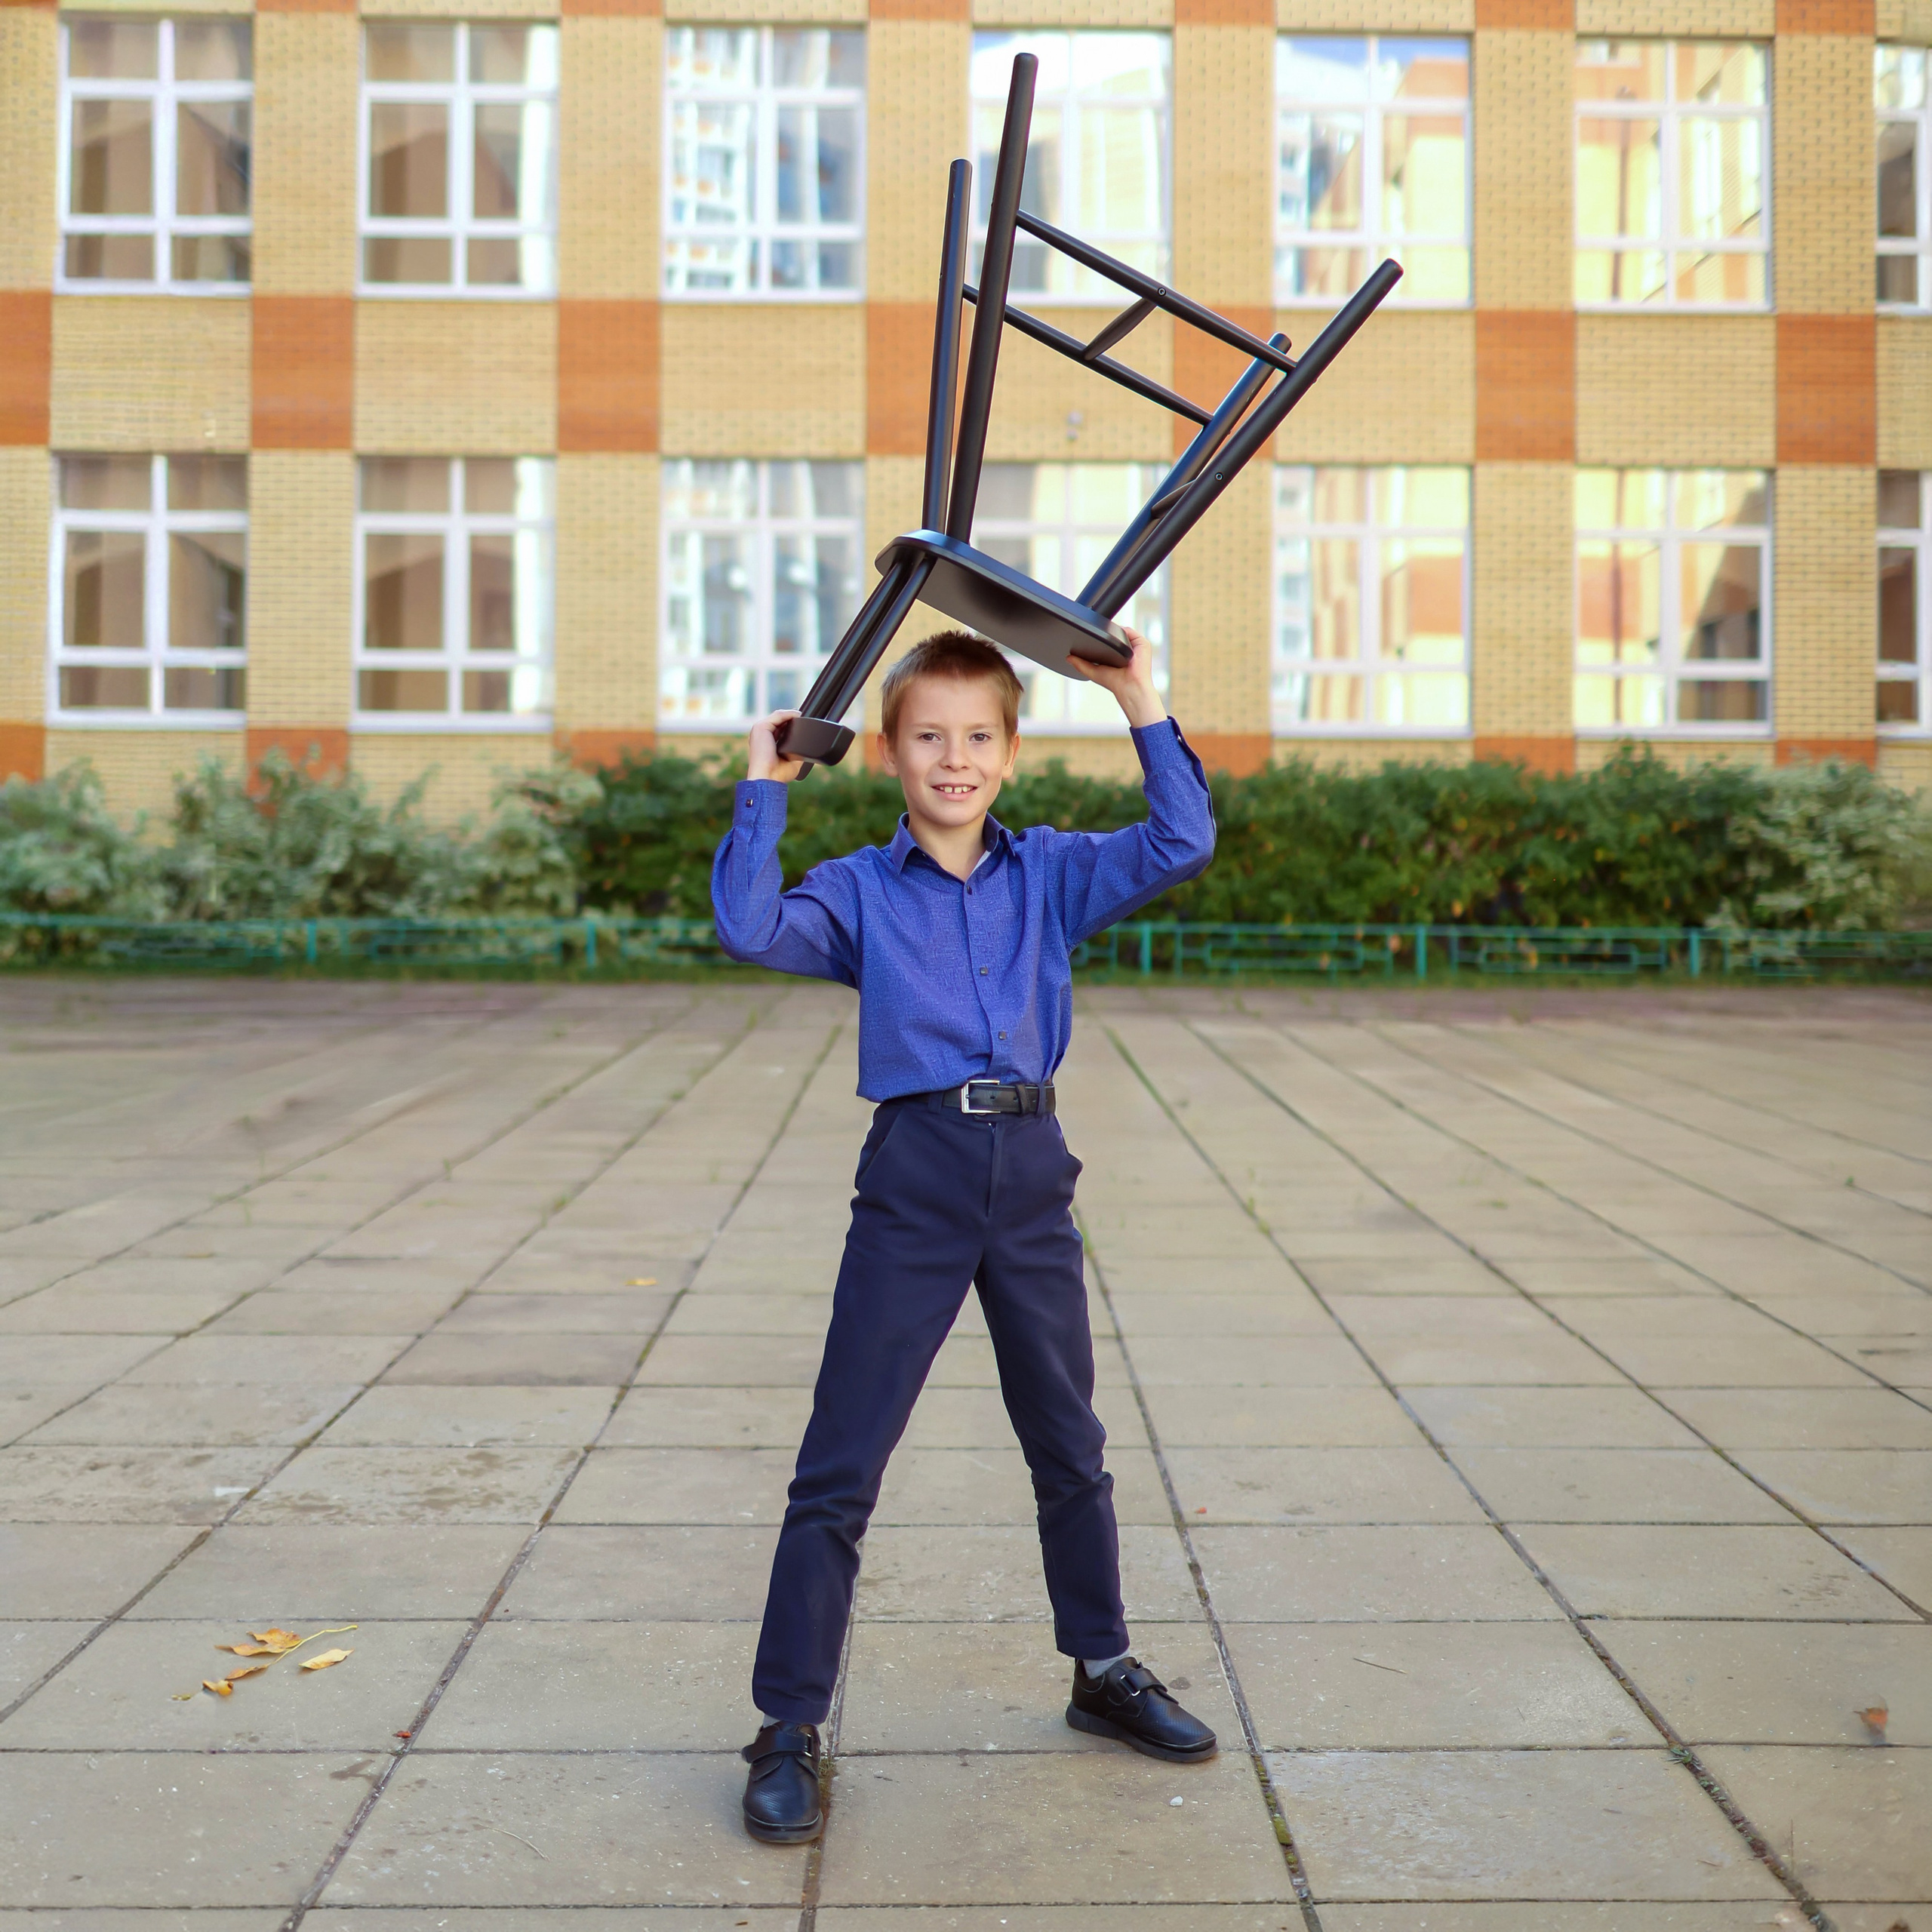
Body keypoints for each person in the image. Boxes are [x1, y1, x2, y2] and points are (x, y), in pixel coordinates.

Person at [711, 625, 1220, 1846]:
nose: (954, 759)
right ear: (889, 752)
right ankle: (788, 1724)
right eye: (928, 737)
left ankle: (1102, 1670)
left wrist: (1135, 692)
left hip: (1031, 1171)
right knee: (842, 1462)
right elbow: (745, 925)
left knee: (1070, 1443)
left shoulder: (1051, 872)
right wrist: (765, 788)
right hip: (918, 1174)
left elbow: (1184, 837)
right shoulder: (854, 893)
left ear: (1010, 751)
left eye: (977, 737)